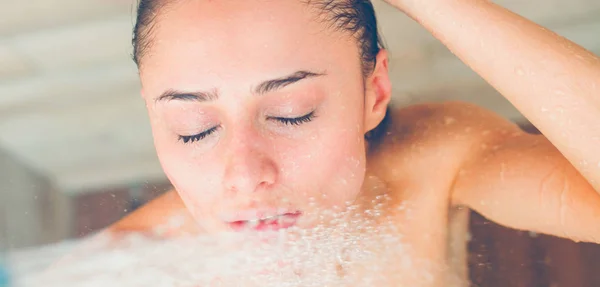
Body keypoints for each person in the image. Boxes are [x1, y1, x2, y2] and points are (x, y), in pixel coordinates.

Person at [104, 0, 600, 285]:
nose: (244, 174)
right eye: (194, 127)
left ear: (374, 91)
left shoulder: (435, 158)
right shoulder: (134, 265)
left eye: (290, 114)